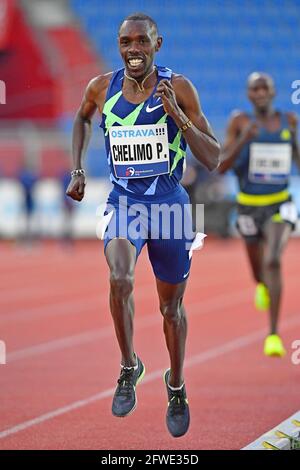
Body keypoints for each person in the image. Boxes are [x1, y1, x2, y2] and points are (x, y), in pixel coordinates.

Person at [66, 13, 220, 437]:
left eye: (141, 42)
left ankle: (176, 385)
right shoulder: (101, 87)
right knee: (120, 277)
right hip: (125, 204)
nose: (133, 49)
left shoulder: (179, 87)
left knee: (171, 308)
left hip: (170, 207)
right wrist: (77, 168)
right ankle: (129, 366)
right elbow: (81, 118)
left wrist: (179, 117)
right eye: (125, 42)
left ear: (158, 44)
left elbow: (213, 158)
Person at [219, 72, 299, 357]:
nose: (261, 92)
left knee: (274, 259)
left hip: (280, 203)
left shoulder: (288, 121)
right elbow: (222, 166)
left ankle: (273, 334)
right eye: (255, 88)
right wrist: (243, 139)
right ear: (249, 94)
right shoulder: (239, 122)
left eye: (265, 87)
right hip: (248, 205)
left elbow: (296, 160)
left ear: (274, 91)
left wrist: (294, 146)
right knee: (258, 272)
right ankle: (263, 285)